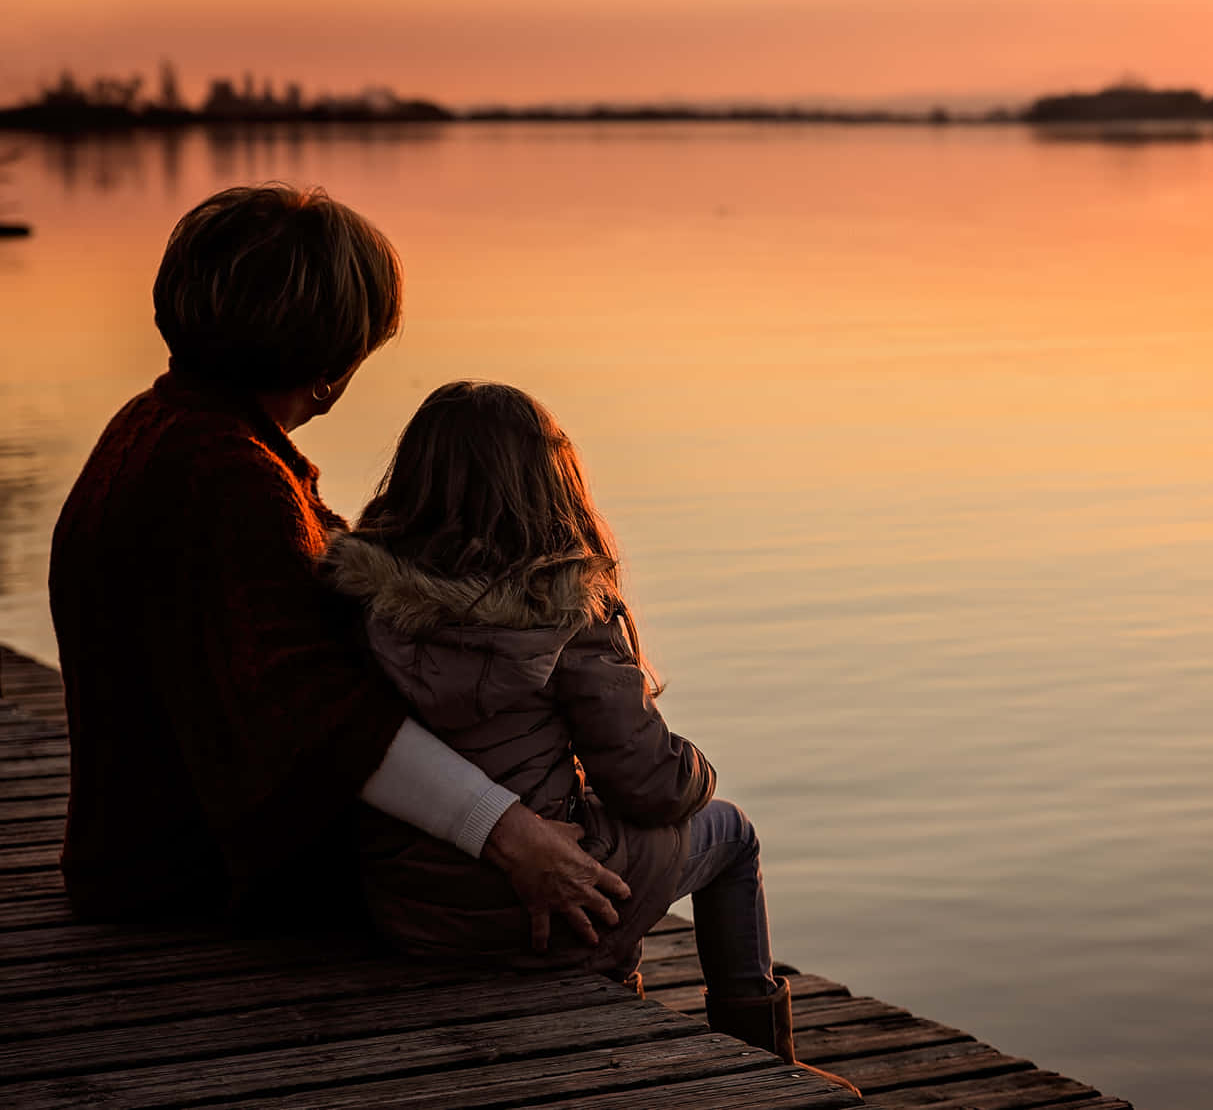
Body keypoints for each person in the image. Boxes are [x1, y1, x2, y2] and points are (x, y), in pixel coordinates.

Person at [50, 184, 630, 949]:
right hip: (202, 883)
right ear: (329, 366)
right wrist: (508, 831)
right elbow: (319, 713)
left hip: (149, 858)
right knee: (614, 855)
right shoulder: (227, 478)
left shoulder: (158, 426)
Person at [319, 380, 857, 1097]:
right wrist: (699, 771)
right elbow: (649, 784)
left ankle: (622, 1009)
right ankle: (760, 1057)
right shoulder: (561, 608)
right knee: (730, 837)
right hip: (536, 905)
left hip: (410, 907)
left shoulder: (356, 603)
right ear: (549, 486)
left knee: (597, 821)